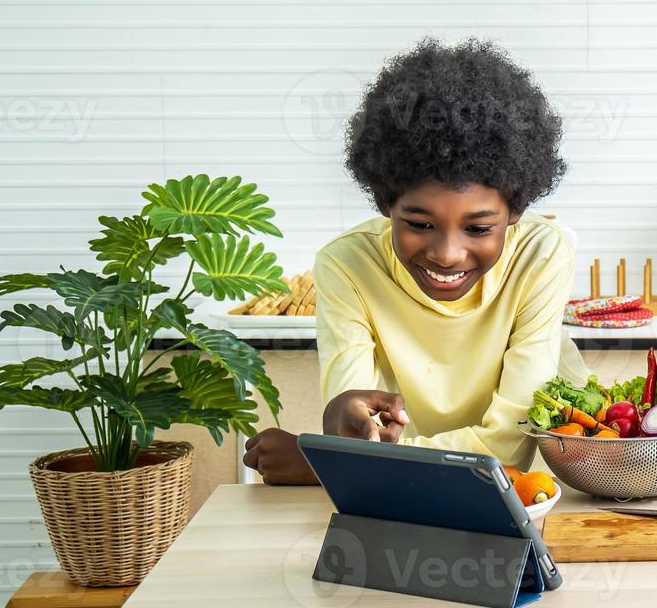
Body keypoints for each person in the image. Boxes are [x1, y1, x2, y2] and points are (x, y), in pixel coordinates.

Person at [243, 38, 583, 484]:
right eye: (420, 224)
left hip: (533, 488)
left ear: (515, 212)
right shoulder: (348, 265)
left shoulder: (541, 253)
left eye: (478, 228)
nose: (446, 254)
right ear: (386, 203)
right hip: (407, 491)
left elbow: (508, 447)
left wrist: (321, 463)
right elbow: (353, 428)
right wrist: (349, 446)